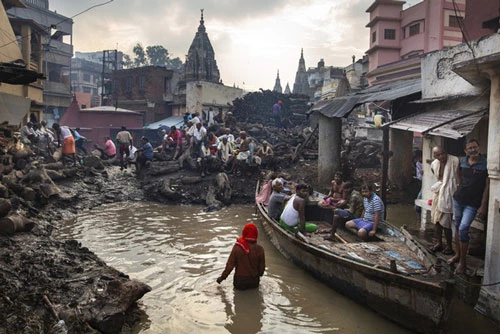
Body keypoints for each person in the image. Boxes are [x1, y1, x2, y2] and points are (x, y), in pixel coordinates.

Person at [448, 139, 489, 274]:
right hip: (459, 199)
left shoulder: (485, 164)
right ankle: (458, 255)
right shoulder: (463, 161)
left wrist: (483, 206)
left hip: (473, 203)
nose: (472, 150)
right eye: (469, 148)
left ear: (479, 147)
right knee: (457, 227)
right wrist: (460, 185)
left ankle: (462, 262)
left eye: (474, 147)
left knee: (464, 228)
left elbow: (487, 186)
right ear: (466, 151)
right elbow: (458, 174)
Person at [216, 223, 266, 290]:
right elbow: (262, 269)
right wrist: (257, 275)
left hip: (240, 283)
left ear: (244, 232)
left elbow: (230, 266)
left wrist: (222, 278)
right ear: (256, 234)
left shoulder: (237, 248)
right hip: (254, 282)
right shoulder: (260, 249)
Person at [429, 146, 459, 255]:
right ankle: (439, 243)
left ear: (446, 152)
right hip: (439, 194)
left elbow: (457, 178)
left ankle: (449, 246)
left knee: (446, 222)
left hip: (450, 194)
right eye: (438, 155)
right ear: (434, 156)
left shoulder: (454, 161)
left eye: (442, 153)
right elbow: (439, 178)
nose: (441, 156)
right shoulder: (434, 164)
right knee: (436, 220)